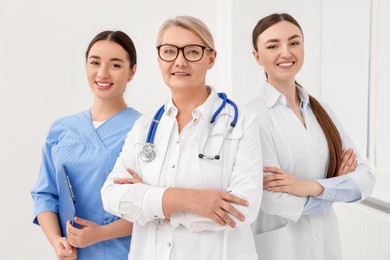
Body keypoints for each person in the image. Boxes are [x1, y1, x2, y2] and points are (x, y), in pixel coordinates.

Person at [101, 16, 262, 260]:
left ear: (211, 58)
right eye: (169, 51)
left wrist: (149, 202)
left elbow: (241, 208)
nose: (180, 61)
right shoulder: (145, 128)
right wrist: (186, 199)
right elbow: (111, 196)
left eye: (192, 52)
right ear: (158, 59)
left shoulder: (241, 123)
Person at [246, 13, 376, 260]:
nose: (286, 53)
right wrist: (334, 188)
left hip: (326, 245)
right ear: (257, 56)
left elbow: (365, 179)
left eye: (294, 43)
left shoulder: (322, 111)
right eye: (273, 46)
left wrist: (309, 186)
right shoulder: (253, 116)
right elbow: (274, 201)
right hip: (280, 249)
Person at [31, 30, 141, 260]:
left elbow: (152, 208)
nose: (102, 73)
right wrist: (57, 242)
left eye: (115, 65)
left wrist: (101, 234)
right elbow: (44, 194)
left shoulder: (144, 129)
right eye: (95, 62)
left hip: (124, 254)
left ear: (132, 71)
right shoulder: (61, 128)